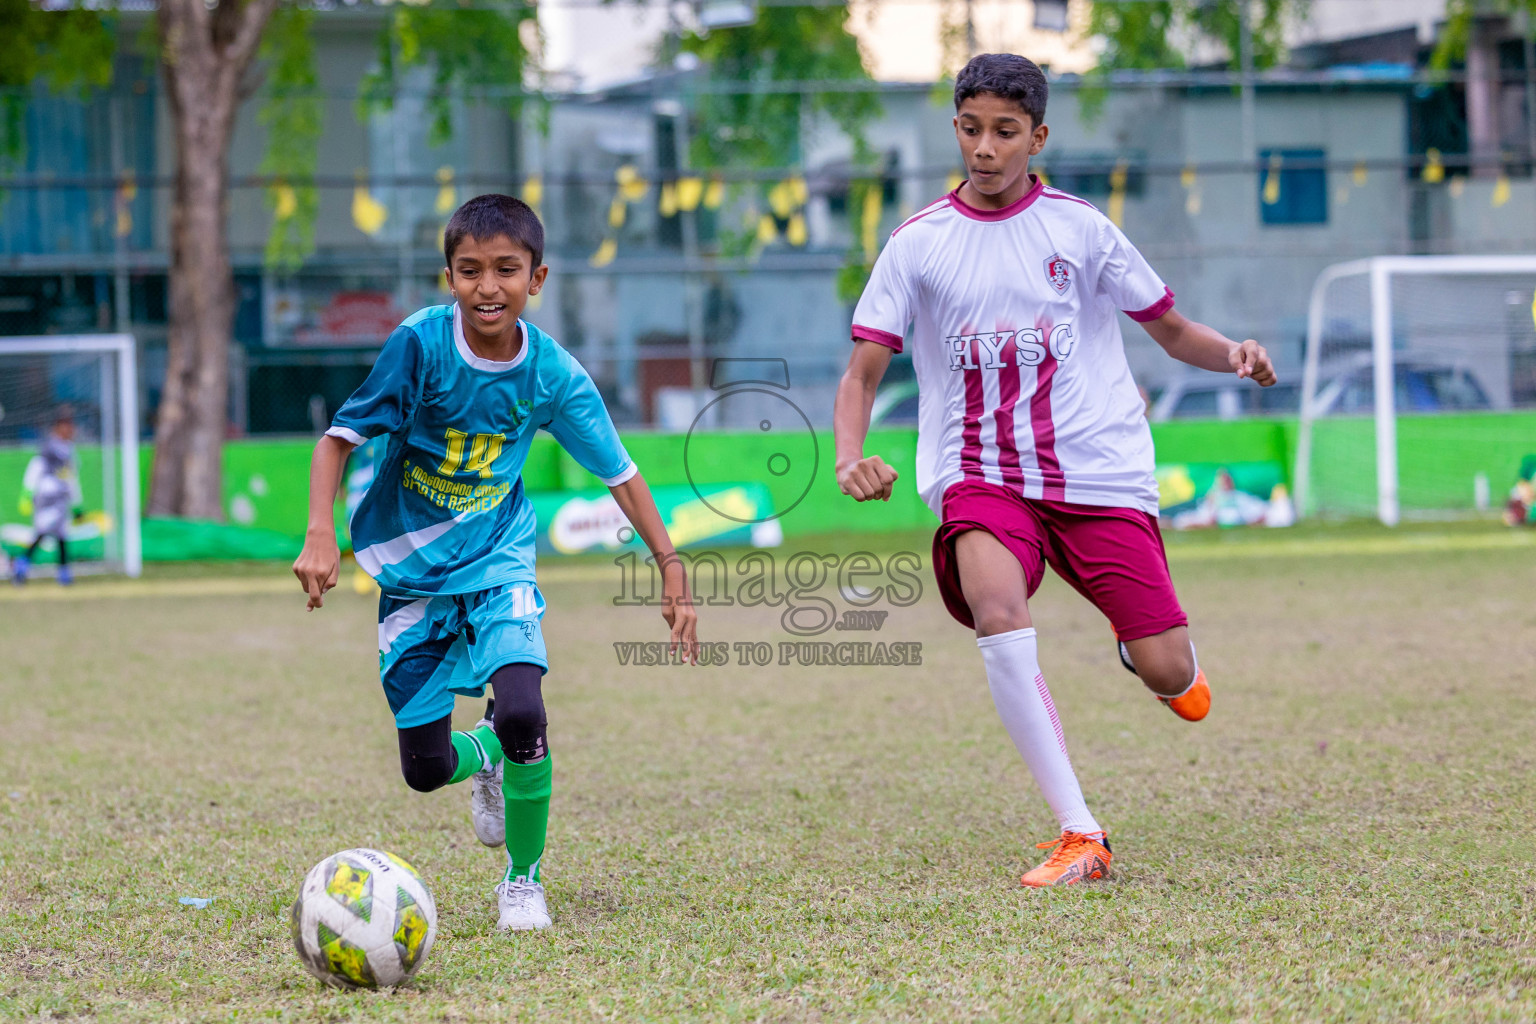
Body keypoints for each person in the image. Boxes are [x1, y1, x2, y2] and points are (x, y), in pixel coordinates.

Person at [833, 53, 1277, 889]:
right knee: (999, 611)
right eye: (971, 130)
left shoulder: (1079, 229)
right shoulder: (918, 245)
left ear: (1037, 137)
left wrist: (1235, 355)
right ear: (957, 129)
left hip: (1096, 473)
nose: (986, 149)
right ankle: (1080, 831)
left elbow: (1173, 330)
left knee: (1172, 674)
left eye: (1006, 133)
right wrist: (849, 455)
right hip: (979, 475)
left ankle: (1141, 649)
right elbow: (862, 372)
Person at [292, 194, 699, 931]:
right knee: (422, 771)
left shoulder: (552, 375)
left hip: (500, 560)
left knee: (522, 709)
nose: (488, 286)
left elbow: (622, 475)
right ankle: (483, 755)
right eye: (470, 270)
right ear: (448, 276)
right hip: (412, 572)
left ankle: (523, 881)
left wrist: (668, 563)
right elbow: (338, 440)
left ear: (535, 278)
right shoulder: (419, 347)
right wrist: (321, 532)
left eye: (506, 270)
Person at [13, 408, 83, 586]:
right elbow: (35, 468)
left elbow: (71, 478)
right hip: (45, 499)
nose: (70, 430)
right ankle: (21, 566)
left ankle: (64, 573)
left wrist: (77, 505)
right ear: (58, 428)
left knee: (62, 536)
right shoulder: (49, 448)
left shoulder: (69, 451)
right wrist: (26, 494)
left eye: (71, 426)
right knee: (42, 534)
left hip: (61, 500)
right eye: (66, 426)